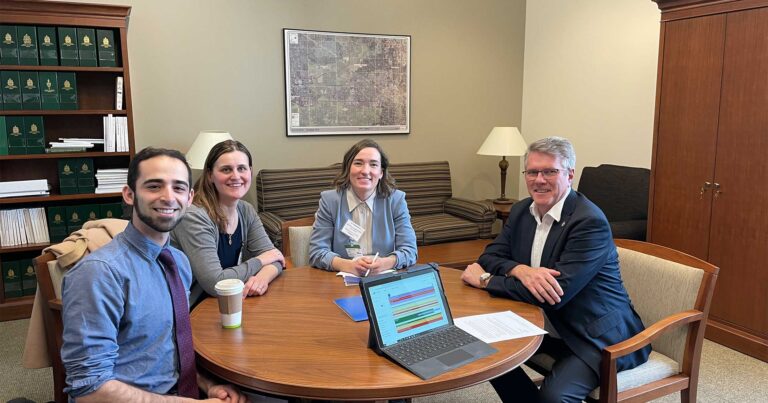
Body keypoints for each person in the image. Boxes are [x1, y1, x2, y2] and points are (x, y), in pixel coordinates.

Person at [461, 137, 650, 403]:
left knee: (554, 397)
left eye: (550, 171)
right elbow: (491, 255)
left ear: (570, 174)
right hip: (545, 323)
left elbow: (553, 294)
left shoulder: (588, 222)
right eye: (532, 171)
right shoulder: (520, 211)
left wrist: (485, 280)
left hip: (595, 336)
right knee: (483, 351)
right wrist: (520, 270)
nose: (539, 179)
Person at [61, 147, 247, 402]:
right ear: (129, 194)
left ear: (190, 198)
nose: (168, 197)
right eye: (154, 186)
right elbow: (89, 390)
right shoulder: (99, 274)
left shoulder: (178, 262)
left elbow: (168, 348)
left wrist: (206, 384)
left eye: (179, 188)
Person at [171, 140, 283, 306]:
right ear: (210, 175)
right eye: (226, 169)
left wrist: (261, 278)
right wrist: (260, 261)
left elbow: (276, 259)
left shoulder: (246, 210)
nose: (236, 176)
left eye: (242, 168)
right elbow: (215, 283)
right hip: (192, 310)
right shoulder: (193, 217)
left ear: (250, 172)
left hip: (230, 302)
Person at [309, 139, 417, 275]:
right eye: (358, 163)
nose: (365, 171)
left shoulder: (395, 200)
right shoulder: (330, 201)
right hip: (341, 278)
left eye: (373, 164)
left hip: (383, 278)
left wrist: (385, 263)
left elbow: (410, 251)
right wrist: (348, 265)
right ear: (348, 169)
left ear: (381, 173)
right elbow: (317, 252)